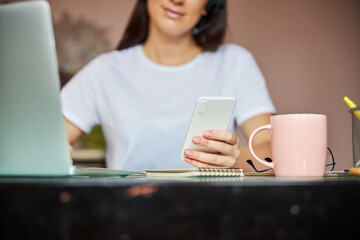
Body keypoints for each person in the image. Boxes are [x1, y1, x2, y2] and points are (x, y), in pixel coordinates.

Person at [61, 0, 276, 171]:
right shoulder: (105, 70)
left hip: (210, 212)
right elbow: (46, 141)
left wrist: (235, 159)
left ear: (208, 6)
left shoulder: (235, 62)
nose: (177, 0)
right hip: (127, 213)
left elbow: (270, 148)